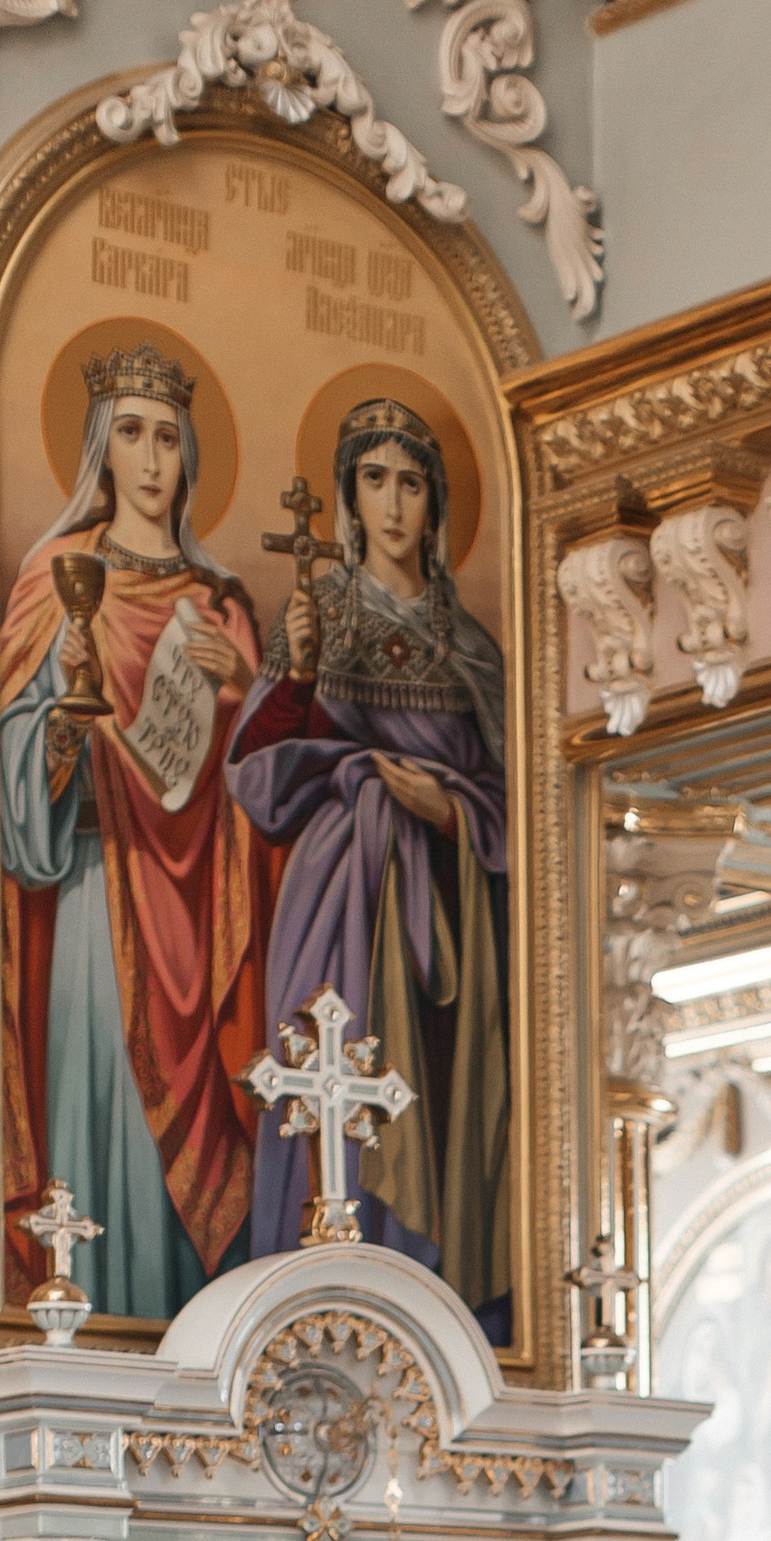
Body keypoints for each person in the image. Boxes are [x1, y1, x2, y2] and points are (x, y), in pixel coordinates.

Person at [0, 343, 269, 1320]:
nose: (151, 459)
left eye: (167, 437)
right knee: (96, 1101)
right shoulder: (58, 583)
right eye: (131, 434)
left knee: (197, 1135)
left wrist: (240, 697)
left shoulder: (221, 603)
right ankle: (89, 1317)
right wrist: (63, 720)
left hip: (199, 912)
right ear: (99, 450)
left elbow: (263, 797)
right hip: (91, 890)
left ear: (190, 452)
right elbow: (9, 767)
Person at [226, 398, 511, 1321]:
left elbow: (522, 811)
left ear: (437, 507)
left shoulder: (473, 650)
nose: (394, 505)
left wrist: (452, 810)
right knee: (327, 1091)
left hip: (452, 928)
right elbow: (258, 783)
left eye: (414, 484)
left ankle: (432, 1301)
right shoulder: (319, 614)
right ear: (350, 495)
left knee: (428, 1107)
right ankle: (316, 1281)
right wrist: (297, 675)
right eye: (375, 480)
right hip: (340, 897)